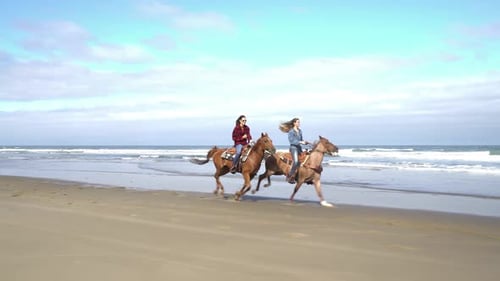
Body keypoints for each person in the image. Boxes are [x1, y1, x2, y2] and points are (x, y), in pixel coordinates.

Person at [279, 117, 310, 184]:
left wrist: (304, 142)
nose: (299, 123)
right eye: (298, 122)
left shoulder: (300, 131)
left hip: (299, 148)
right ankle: (289, 176)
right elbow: (292, 141)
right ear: (294, 123)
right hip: (293, 148)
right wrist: (301, 142)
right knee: (296, 162)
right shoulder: (291, 131)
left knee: (305, 161)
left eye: (299, 122)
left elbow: (301, 140)